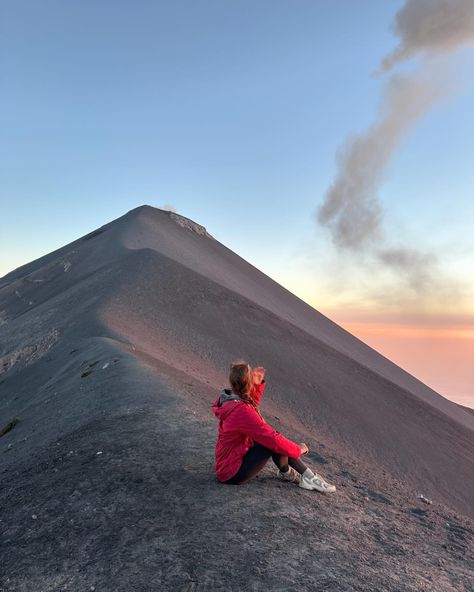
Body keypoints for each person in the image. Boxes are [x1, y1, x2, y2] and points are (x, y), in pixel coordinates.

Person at [212, 360, 336, 492]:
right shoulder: (241, 411)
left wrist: (257, 386)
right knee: (272, 442)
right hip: (231, 472)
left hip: (228, 462)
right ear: (247, 383)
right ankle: (310, 478)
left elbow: (250, 406)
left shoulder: (230, 399)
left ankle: (289, 473)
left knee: (272, 440)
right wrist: (298, 450)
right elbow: (271, 437)